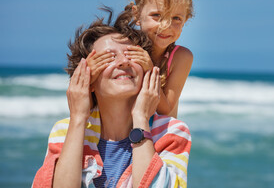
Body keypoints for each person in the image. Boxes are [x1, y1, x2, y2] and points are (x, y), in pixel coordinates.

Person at [32, 12, 191, 188]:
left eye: (131, 55)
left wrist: (141, 118)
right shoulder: (64, 130)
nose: (123, 62)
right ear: (87, 79)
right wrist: (78, 118)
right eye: (108, 57)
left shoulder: (171, 132)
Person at [88, 0, 194, 118]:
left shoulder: (180, 57)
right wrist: (89, 76)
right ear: (137, 14)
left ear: (186, 20)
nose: (166, 26)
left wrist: (149, 71)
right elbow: (91, 102)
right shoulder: (122, 49)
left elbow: (165, 110)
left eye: (176, 18)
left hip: (159, 136)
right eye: (156, 15)